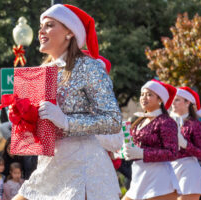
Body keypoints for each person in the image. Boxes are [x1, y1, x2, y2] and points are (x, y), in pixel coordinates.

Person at [13, 4, 122, 200]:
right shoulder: (39, 73)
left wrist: (66, 121)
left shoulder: (89, 67)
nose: (41, 31)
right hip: (48, 166)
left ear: (69, 32)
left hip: (83, 169)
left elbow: (112, 121)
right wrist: (23, 119)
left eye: (49, 25)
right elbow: (39, 130)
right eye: (41, 26)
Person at [122, 79, 180, 200]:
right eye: (142, 94)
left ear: (160, 100)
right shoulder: (139, 121)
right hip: (139, 175)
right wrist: (124, 152)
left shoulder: (166, 121)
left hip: (158, 180)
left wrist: (142, 153)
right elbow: (136, 146)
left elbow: (172, 153)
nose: (144, 98)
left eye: (149, 95)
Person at [170, 87, 201, 199]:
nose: (173, 103)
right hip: (170, 169)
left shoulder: (195, 124)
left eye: (176, 100)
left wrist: (185, 144)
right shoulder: (167, 123)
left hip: (189, 170)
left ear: (187, 103)